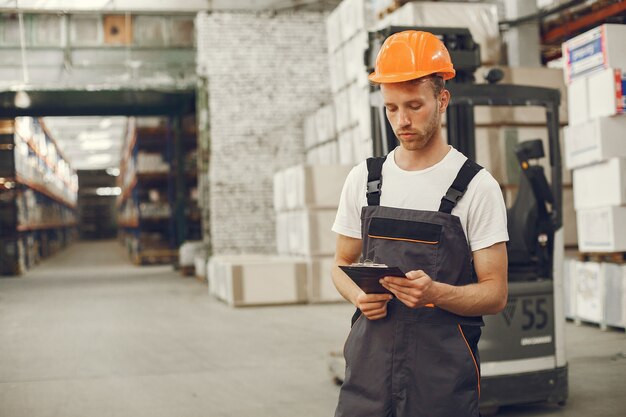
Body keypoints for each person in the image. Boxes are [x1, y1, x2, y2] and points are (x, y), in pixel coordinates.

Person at [331, 30, 509, 417]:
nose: (402, 121)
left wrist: (437, 293)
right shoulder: (364, 180)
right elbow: (339, 264)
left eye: (414, 106)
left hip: (441, 381)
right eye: (391, 108)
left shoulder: (476, 187)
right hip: (368, 373)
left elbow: (495, 294)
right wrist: (358, 297)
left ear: (442, 99)